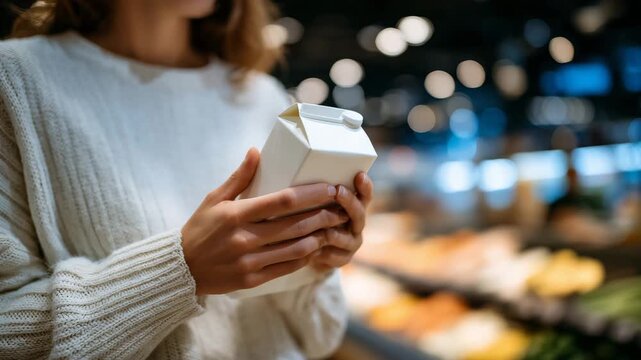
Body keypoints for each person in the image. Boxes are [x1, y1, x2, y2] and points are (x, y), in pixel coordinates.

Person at [0, 0, 373, 359]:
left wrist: (313, 260)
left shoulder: (262, 96)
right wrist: (179, 271)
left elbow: (320, 337)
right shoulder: (17, 80)